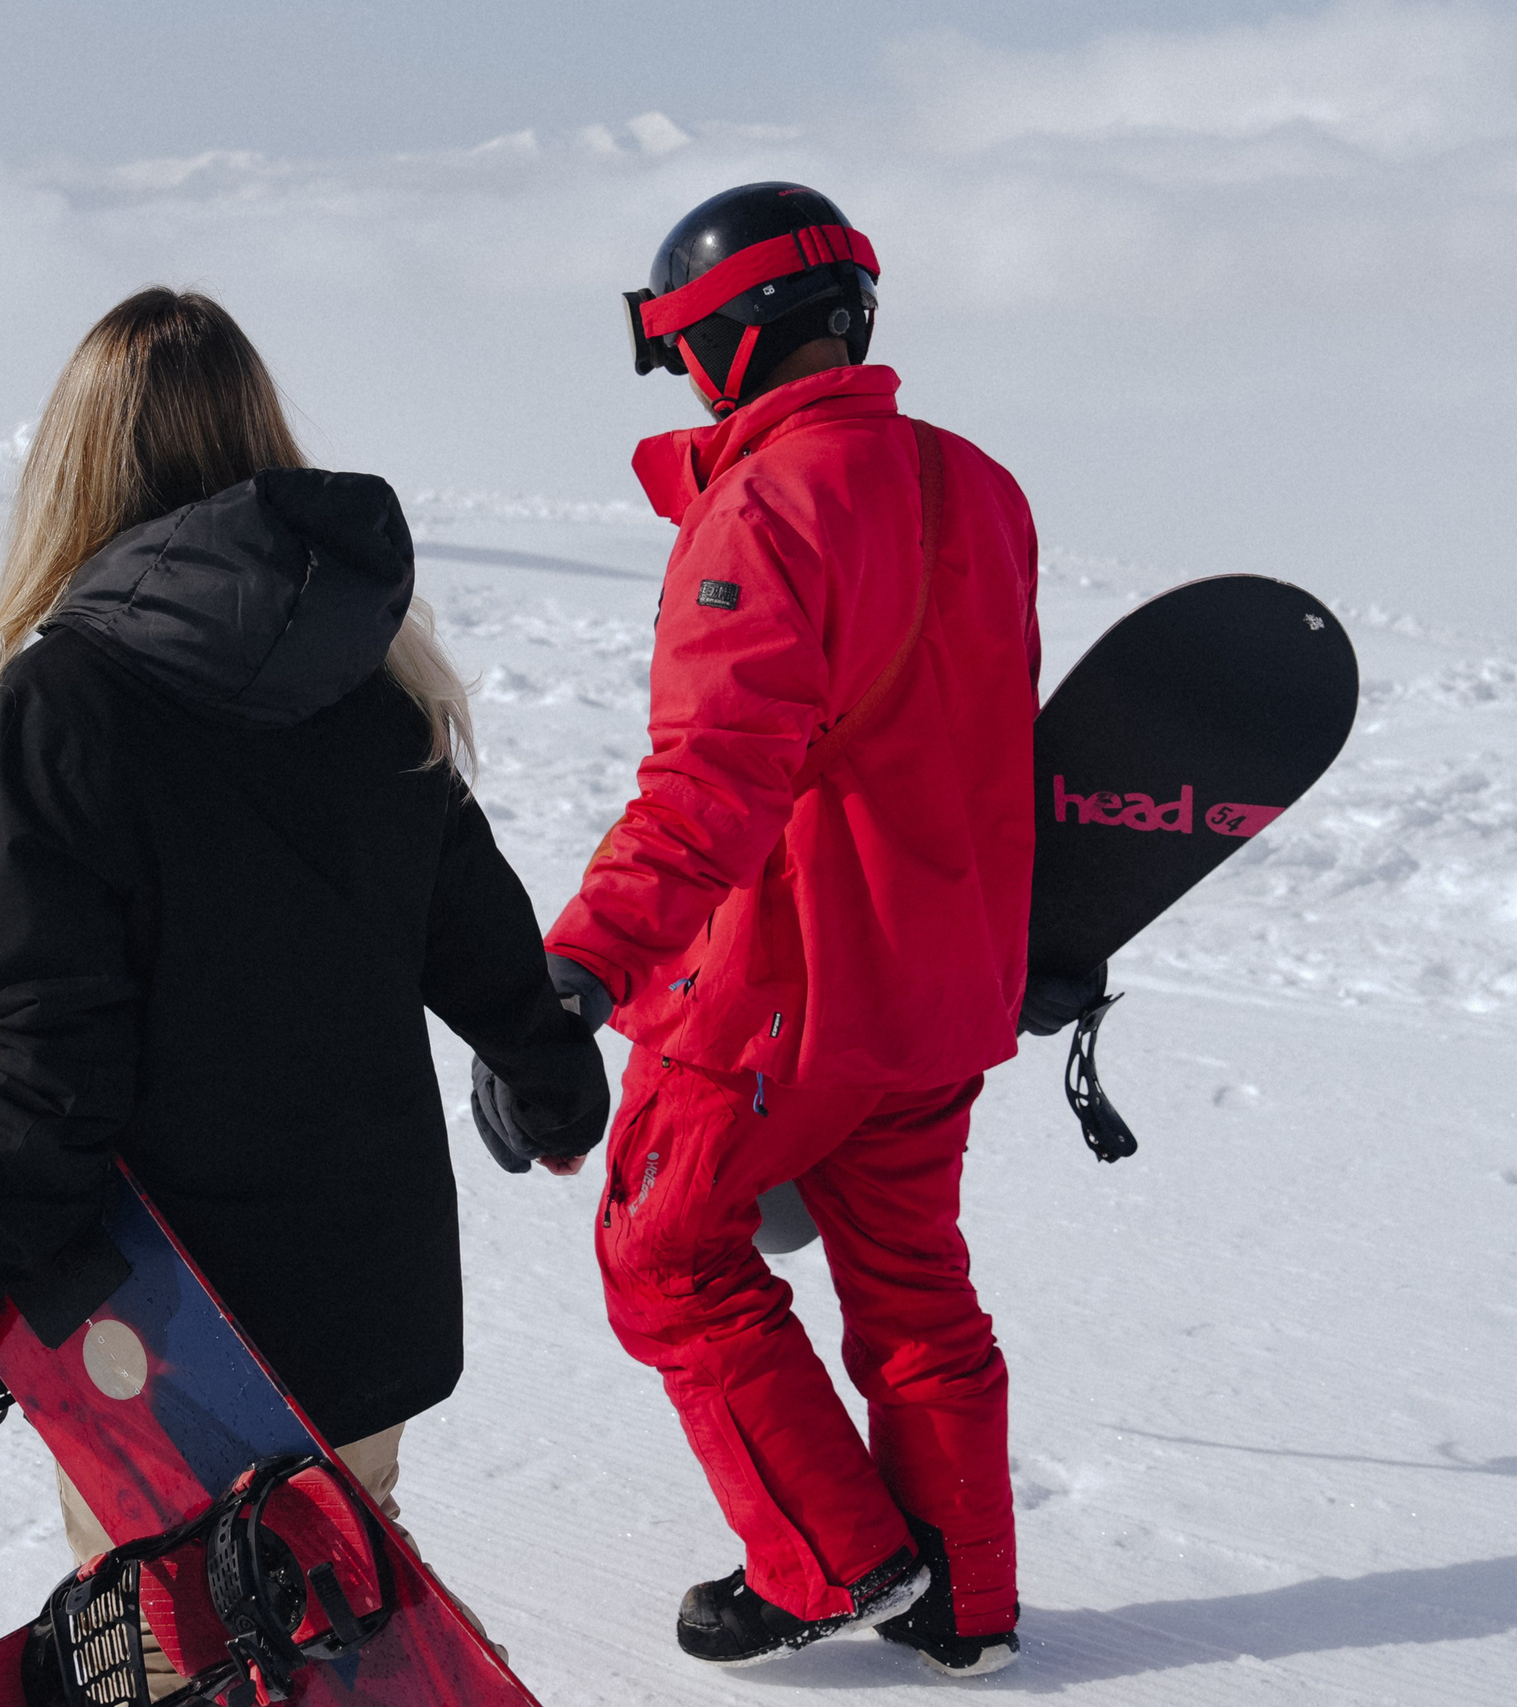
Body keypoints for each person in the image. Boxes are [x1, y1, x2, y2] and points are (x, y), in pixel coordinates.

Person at [0, 288, 609, 1691]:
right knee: (339, 1629)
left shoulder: (67, 702)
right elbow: (481, 940)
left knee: (187, 1648)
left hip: (171, 1320)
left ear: (73, 468)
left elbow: (64, 1074)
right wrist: (554, 1082)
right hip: (370, 1295)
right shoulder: (374, 683)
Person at [471, 183, 1040, 1679]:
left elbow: (710, 784)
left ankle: (828, 1561)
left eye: (679, 348)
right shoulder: (980, 485)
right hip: (940, 990)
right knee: (913, 1285)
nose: (683, 377)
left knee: (662, 1253)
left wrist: (579, 967)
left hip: (785, 996)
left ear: (727, 338)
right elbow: (988, 746)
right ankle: (964, 1601)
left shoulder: (766, 507)